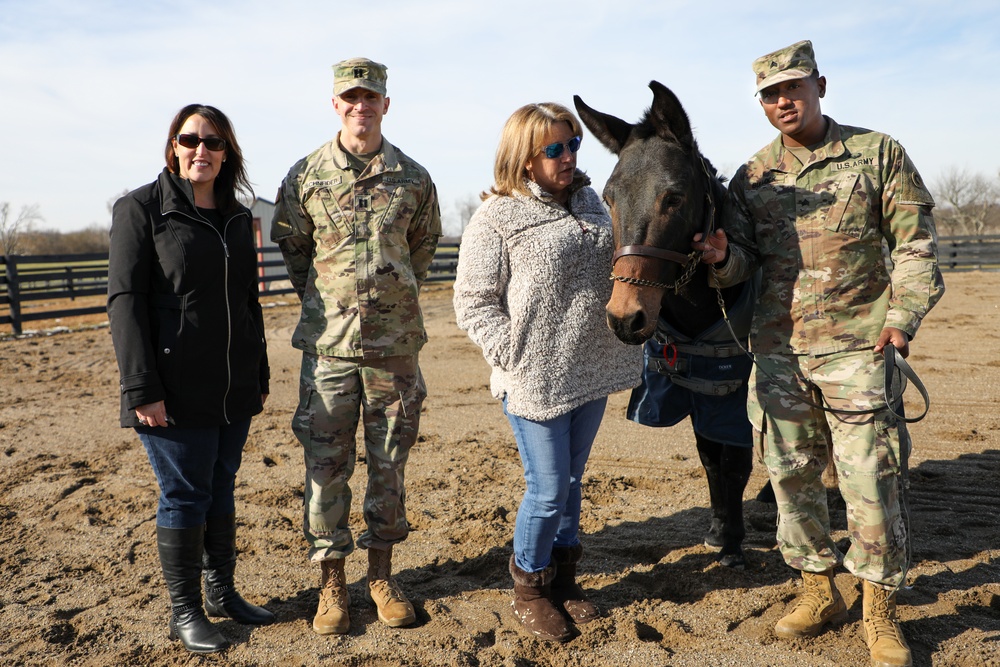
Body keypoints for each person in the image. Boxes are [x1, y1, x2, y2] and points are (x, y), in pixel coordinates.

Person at [695, 40, 944, 667]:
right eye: (771, 94)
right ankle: (817, 587)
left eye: (794, 88)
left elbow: (914, 247)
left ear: (821, 86)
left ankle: (879, 606)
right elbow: (742, 269)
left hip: (859, 348)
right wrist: (724, 259)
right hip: (779, 354)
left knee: (870, 481)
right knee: (792, 477)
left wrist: (901, 320)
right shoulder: (750, 178)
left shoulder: (878, 153)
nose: (784, 101)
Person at [453, 103, 641, 642]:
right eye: (553, 148)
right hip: (534, 378)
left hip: (591, 369)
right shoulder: (496, 217)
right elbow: (472, 302)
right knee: (549, 487)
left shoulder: (593, 204)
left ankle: (565, 581)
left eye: (574, 143)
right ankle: (529, 589)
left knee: (572, 482)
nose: (568, 156)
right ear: (524, 157)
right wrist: (511, 353)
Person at [271, 57, 441, 635]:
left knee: (389, 466)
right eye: (350, 97)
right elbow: (295, 254)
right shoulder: (303, 178)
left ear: (386, 104)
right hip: (329, 352)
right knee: (326, 468)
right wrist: (331, 304)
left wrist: (388, 302)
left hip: (395, 352)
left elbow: (422, 249)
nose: (360, 107)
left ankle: (383, 575)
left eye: (370, 97)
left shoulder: (413, 178)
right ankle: (331, 586)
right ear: (335, 104)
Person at [108, 104, 273, 654]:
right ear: (173, 147)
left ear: (227, 152)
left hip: (232, 385)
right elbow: (124, 303)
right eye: (189, 139)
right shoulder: (141, 209)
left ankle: (223, 592)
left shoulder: (233, 214)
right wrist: (141, 387)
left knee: (220, 486)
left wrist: (259, 370)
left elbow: (247, 302)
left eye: (213, 141)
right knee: (184, 494)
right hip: (174, 388)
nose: (201, 150)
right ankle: (186, 612)